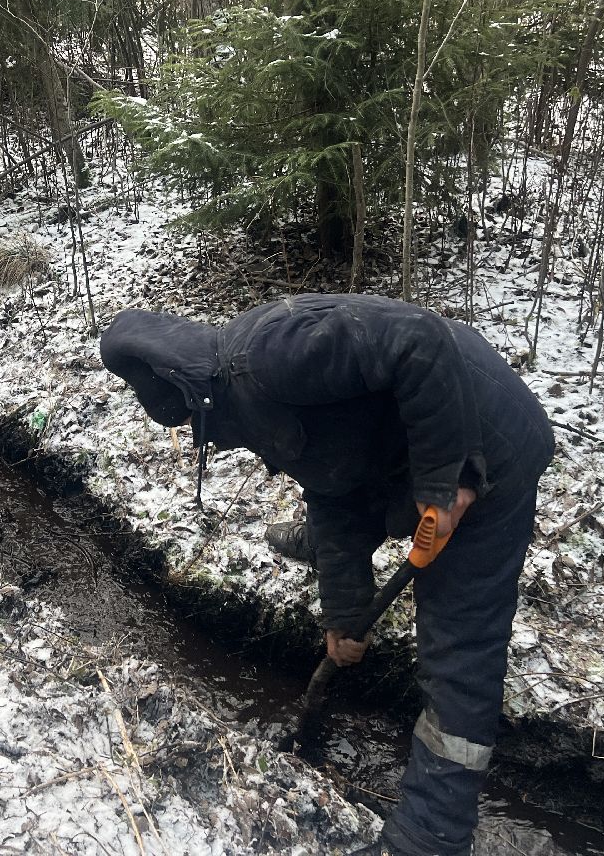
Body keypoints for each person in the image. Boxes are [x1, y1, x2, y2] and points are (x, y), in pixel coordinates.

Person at [99, 293, 554, 856]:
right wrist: (344, 618)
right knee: (344, 524)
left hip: (490, 445)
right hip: (398, 455)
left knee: (460, 648)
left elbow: (421, 338)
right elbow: (331, 487)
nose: (204, 436)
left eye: (193, 420)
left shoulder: (271, 356)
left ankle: (431, 836)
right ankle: (317, 544)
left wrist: (446, 479)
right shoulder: (247, 400)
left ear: (199, 392)